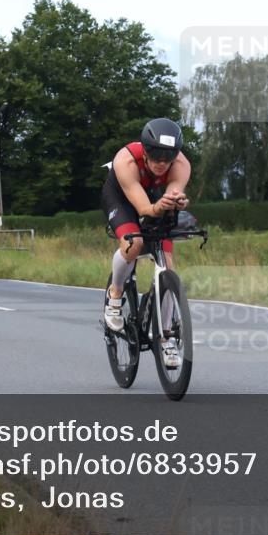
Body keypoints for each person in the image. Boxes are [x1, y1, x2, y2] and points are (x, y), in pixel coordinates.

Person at [101, 118, 190, 368]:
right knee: (134, 244)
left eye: (168, 158)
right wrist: (156, 206)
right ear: (146, 150)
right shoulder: (126, 160)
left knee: (168, 267)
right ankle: (115, 294)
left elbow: (173, 192)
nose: (162, 163)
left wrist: (177, 201)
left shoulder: (181, 164)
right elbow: (142, 207)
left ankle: (166, 338)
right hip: (123, 198)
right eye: (156, 157)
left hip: (155, 198)